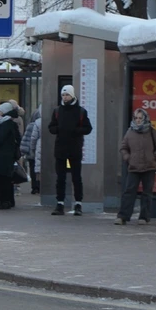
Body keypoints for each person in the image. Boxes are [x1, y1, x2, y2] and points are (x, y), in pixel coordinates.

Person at [48, 84, 92, 216]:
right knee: (60, 178)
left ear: (72, 95)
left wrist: (76, 131)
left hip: (74, 149)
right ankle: (60, 203)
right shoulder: (57, 111)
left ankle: (78, 203)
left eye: (67, 95)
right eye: (63, 95)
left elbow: (88, 128)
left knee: (76, 177)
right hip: (60, 149)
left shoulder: (81, 111)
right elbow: (51, 127)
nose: (65, 97)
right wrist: (57, 129)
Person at [116, 108, 156, 225]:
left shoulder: (152, 132)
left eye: (140, 118)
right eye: (136, 118)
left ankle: (144, 217)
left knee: (147, 193)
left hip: (149, 167)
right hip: (134, 167)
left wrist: (155, 156)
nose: (138, 120)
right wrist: (128, 157)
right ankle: (123, 216)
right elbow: (123, 147)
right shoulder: (130, 133)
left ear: (145, 119)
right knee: (129, 192)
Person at [0, 102, 21, 209]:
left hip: (3, 155)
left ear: (4, 112)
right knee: (1, 178)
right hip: (4, 155)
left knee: (2, 179)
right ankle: (2, 199)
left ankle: (4, 200)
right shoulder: (3, 123)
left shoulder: (5, 124)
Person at [20, 106, 42, 194]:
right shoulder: (41, 124)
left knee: (33, 169)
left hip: (32, 151)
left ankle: (35, 186)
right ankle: (39, 186)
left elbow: (27, 139)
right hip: (37, 150)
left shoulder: (31, 125)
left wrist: (25, 150)